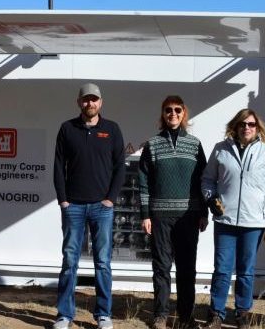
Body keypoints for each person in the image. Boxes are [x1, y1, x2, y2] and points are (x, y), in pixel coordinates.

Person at [201, 108, 265, 329]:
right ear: (235, 127)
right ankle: (216, 313)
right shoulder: (221, 150)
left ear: (258, 128)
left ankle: (242, 313)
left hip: (254, 223)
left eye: (251, 124)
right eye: (242, 124)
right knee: (222, 269)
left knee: (246, 271)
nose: (246, 128)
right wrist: (211, 200)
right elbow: (207, 179)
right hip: (225, 221)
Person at [52, 83, 126, 329]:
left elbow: (120, 168)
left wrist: (110, 199)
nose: (90, 104)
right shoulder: (67, 129)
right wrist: (63, 200)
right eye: (86, 100)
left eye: (94, 100)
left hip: (101, 208)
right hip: (73, 206)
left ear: (101, 102)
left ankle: (103, 314)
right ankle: (64, 315)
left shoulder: (112, 129)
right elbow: (58, 167)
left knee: (103, 262)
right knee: (69, 261)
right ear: (79, 102)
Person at [138, 95, 208, 329]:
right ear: (163, 113)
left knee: (187, 268)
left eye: (178, 110)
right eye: (168, 110)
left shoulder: (195, 144)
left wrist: (204, 212)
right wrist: (145, 214)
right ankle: (160, 315)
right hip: (160, 216)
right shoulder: (152, 144)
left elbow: (203, 180)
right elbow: (144, 181)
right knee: (161, 267)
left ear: (184, 113)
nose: (173, 114)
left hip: (189, 216)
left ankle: (186, 316)